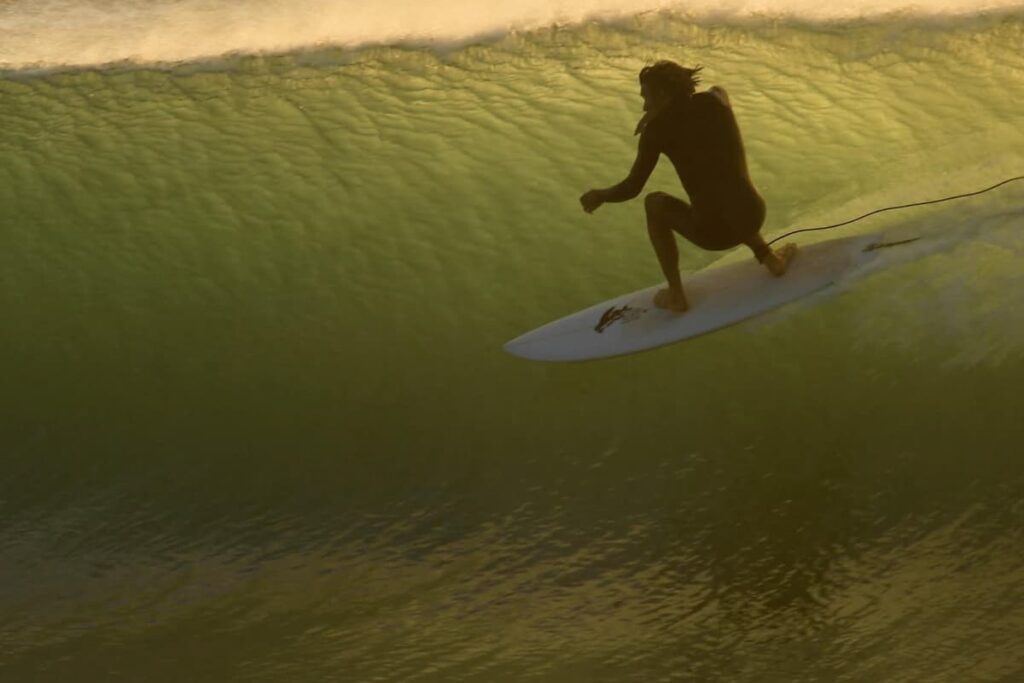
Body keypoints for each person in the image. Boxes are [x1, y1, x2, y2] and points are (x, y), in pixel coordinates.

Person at [580, 61, 797, 313]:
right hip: (754, 214)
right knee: (725, 185)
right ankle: (770, 258)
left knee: (654, 203)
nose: (643, 106)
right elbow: (718, 90)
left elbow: (632, 187)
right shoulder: (715, 102)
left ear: (662, 95)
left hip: (715, 233)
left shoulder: (656, 132)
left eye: (646, 98)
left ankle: (676, 295)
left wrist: (600, 195)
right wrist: (661, 109)